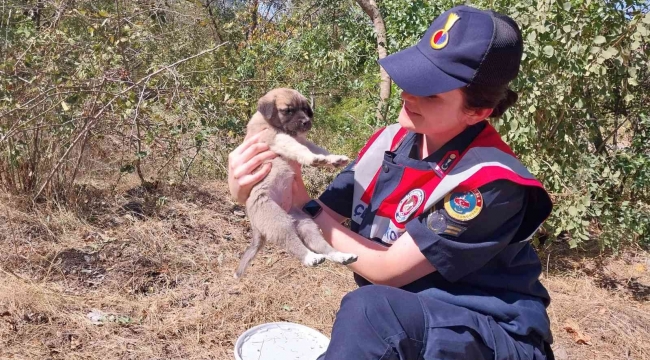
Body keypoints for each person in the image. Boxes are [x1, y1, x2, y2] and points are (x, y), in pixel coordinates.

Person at [228, 5, 555, 360]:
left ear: (477, 112)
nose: (408, 94)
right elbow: (319, 213)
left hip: (489, 332)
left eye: (431, 93)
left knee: (370, 311)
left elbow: (386, 272)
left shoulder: (489, 182)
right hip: (411, 323)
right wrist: (250, 189)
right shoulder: (390, 142)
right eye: (413, 77)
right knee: (374, 316)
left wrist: (303, 206)